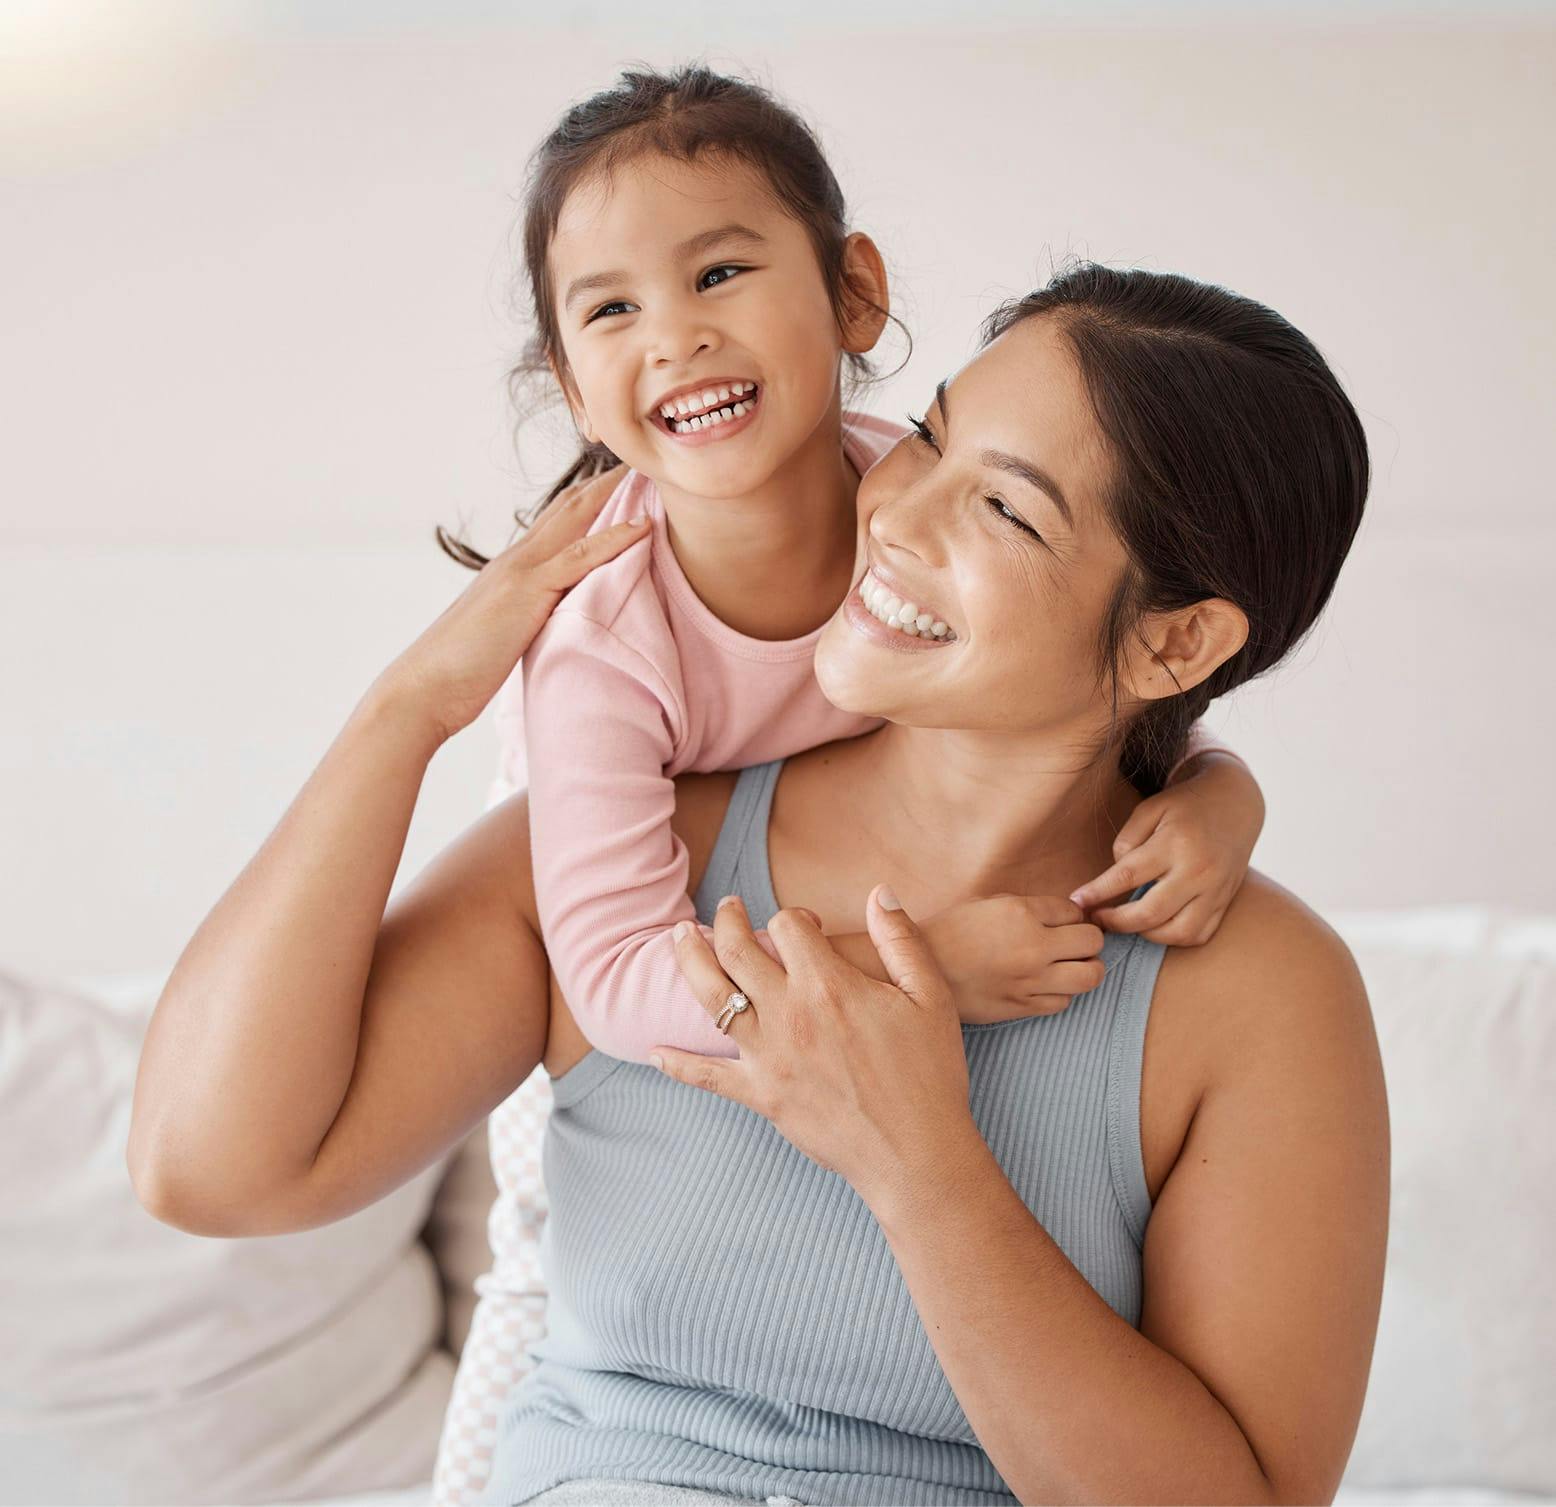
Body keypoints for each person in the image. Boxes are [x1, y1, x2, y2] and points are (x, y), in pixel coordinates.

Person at [129, 260, 1388, 1506]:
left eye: (1002, 510)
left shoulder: (1256, 993)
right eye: (928, 435)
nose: (892, 514)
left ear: (1173, 641)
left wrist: (918, 1163)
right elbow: (212, 1169)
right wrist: (407, 711)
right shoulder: (625, 859)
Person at [446, 63, 1268, 1071]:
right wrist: (909, 967)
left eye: (717, 275)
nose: (674, 338)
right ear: (572, 387)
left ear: (854, 295)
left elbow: (1091, 677)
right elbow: (615, 982)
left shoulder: (913, 496)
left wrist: (1219, 788)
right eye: (610, 311)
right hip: (597, 945)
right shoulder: (602, 649)